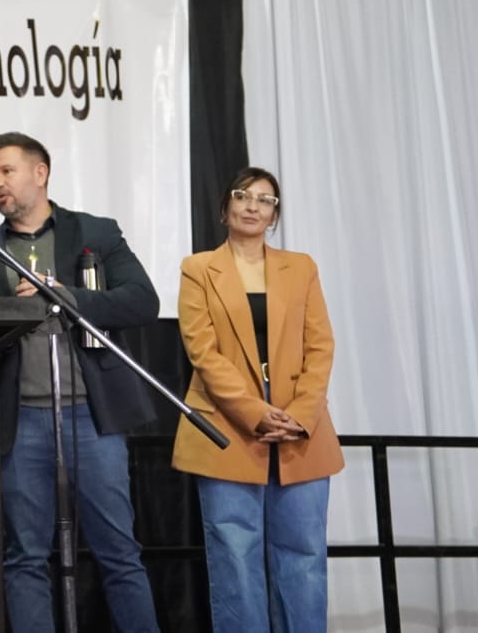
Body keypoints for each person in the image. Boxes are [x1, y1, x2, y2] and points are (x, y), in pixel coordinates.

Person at [0, 131, 160, 633]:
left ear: (40, 173)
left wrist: (70, 298)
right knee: (24, 556)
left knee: (119, 552)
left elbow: (142, 302)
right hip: (21, 420)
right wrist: (4, 313)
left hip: (91, 414)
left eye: (6, 171)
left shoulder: (95, 233)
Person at [172, 168, 343, 632]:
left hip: (298, 425)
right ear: (225, 208)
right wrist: (253, 411)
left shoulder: (301, 266)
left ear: (274, 215)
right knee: (234, 556)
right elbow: (202, 352)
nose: (253, 205)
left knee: (303, 555)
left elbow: (320, 345)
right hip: (227, 425)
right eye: (243, 196)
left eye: (265, 200)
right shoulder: (198, 269)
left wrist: (301, 413)